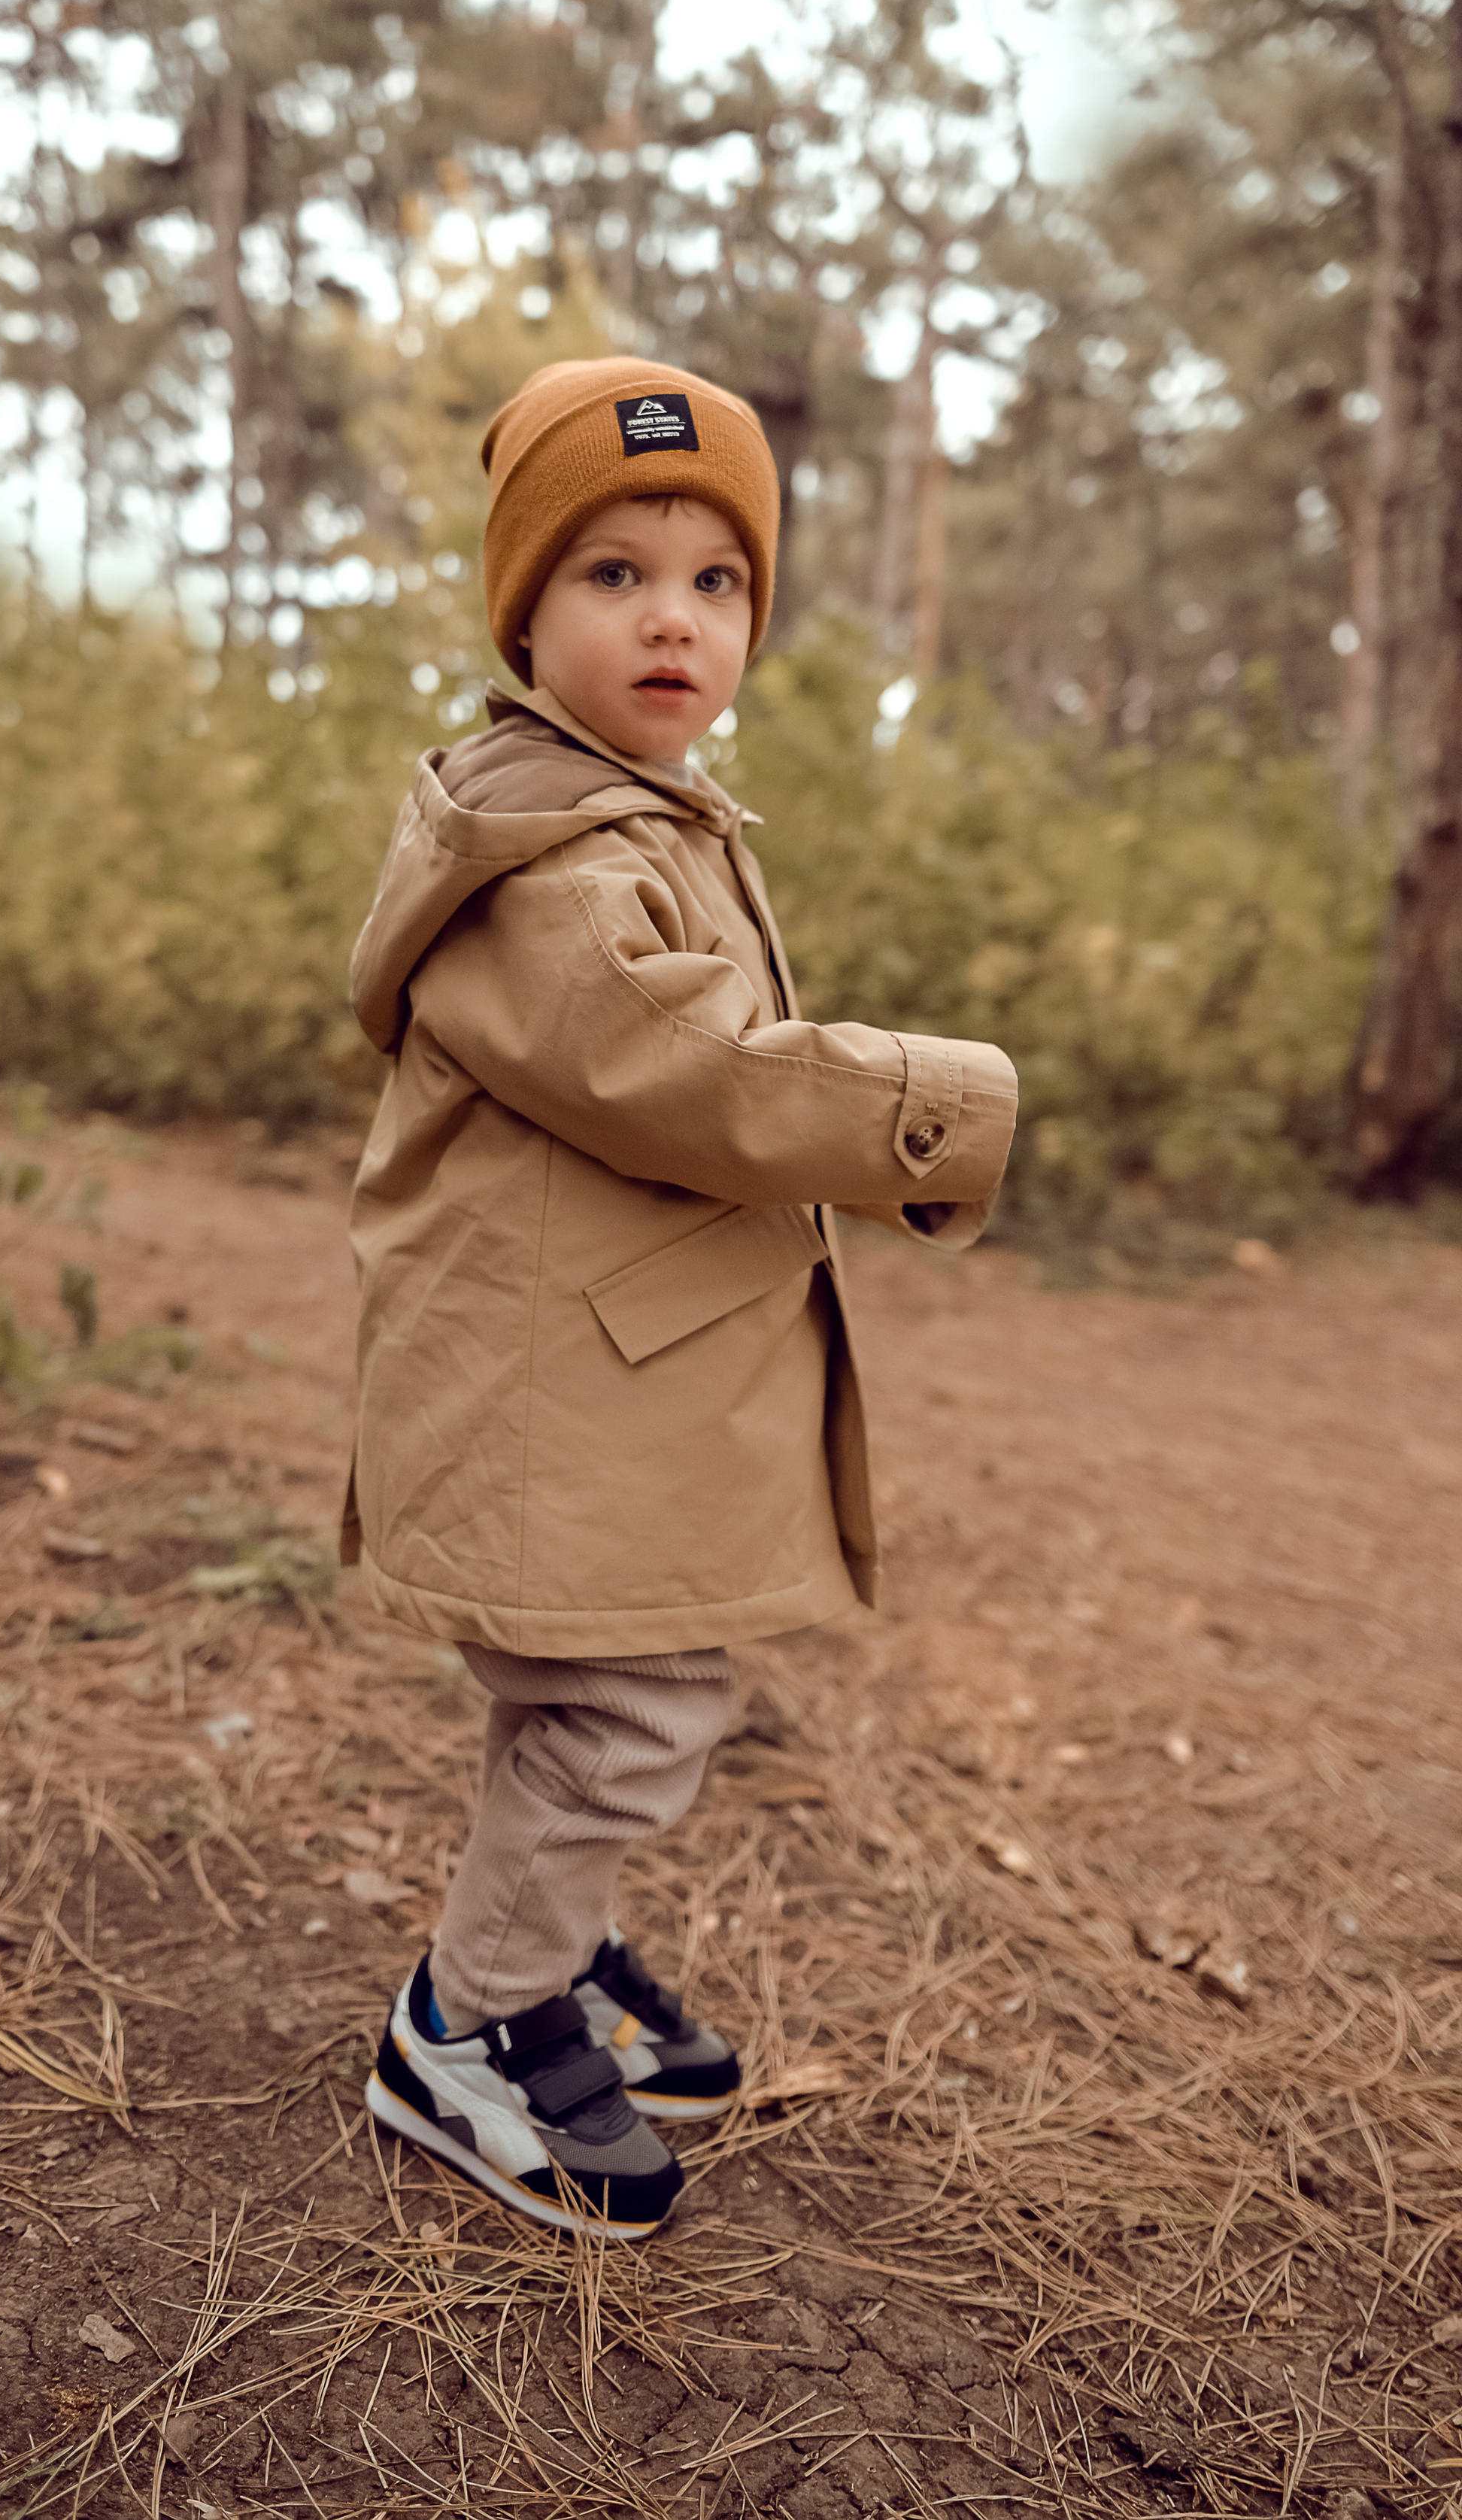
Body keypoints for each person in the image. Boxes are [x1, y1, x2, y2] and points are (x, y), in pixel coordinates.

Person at [341, 356, 1018, 2239]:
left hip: (594, 1388)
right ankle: (463, 2026)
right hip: (547, 1401)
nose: (671, 616)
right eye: (612, 573)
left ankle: (538, 1940)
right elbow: (698, 1075)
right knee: (629, 1713)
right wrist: (940, 1105)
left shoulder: (636, 814)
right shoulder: (546, 863)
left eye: (714, 581)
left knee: (584, 1693)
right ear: (524, 613)